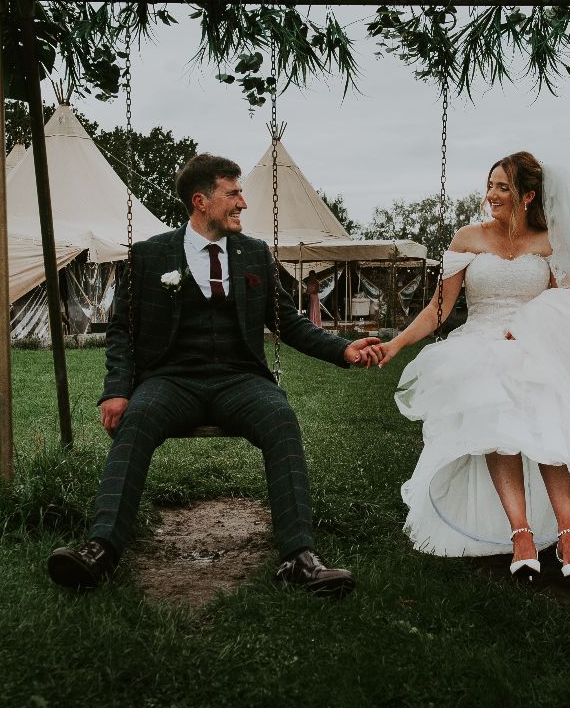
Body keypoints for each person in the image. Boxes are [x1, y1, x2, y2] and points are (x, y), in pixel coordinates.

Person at [47, 153, 383, 597]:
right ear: (201, 201)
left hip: (240, 380)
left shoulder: (255, 255)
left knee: (281, 419)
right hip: (170, 380)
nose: (243, 202)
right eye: (233, 193)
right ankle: (100, 551)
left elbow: (289, 322)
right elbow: (122, 332)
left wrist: (343, 349)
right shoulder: (150, 255)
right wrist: (116, 391)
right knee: (137, 420)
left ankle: (299, 558)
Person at [374, 151, 570, 579]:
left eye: (503, 187)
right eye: (490, 185)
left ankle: (569, 537)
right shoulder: (467, 238)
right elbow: (438, 310)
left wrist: (533, 326)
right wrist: (396, 344)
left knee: (549, 425)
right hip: (479, 343)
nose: (491, 195)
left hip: (534, 346)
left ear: (527, 196)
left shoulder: (549, 243)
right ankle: (521, 534)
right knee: (496, 420)